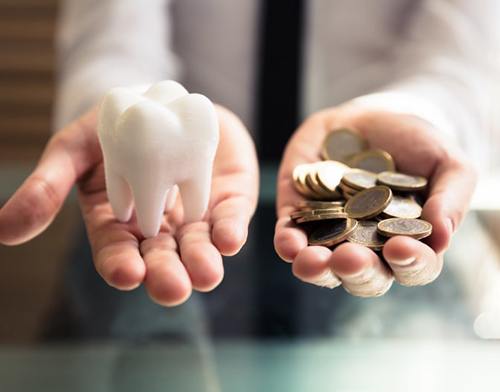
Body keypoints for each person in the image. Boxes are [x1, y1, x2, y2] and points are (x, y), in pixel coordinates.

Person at [0, 0, 497, 307]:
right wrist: (122, 108)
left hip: (418, 305)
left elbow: (466, 55)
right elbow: (111, 36)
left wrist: (413, 115)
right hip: (178, 180)